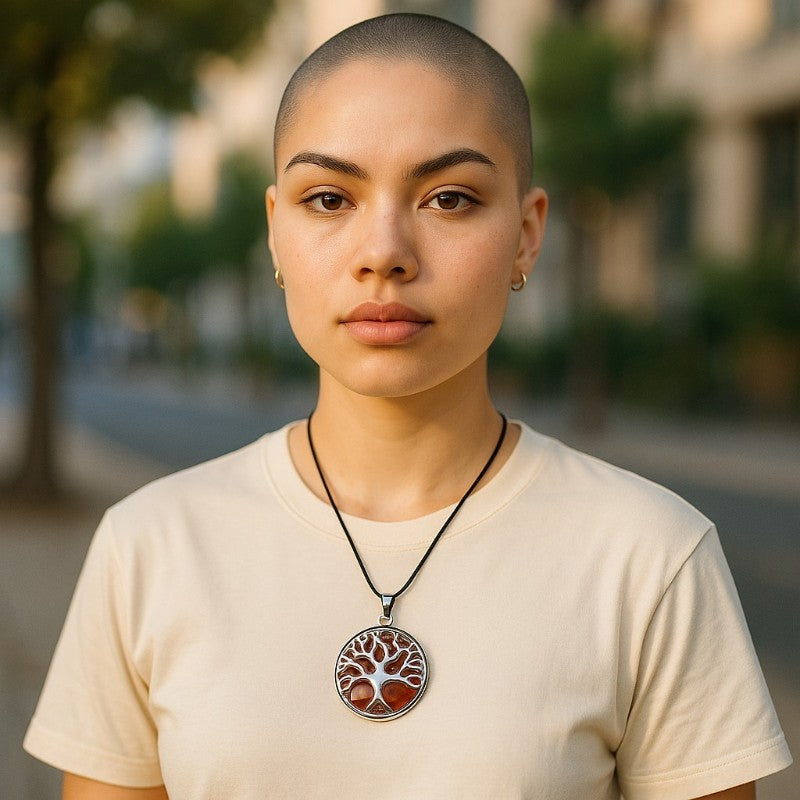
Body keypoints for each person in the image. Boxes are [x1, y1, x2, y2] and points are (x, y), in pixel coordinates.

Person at [25, 13, 791, 800]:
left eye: (450, 198)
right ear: (276, 233)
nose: (383, 250)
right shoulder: (148, 547)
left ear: (526, 237)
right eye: (328, 198)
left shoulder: (652, 556)